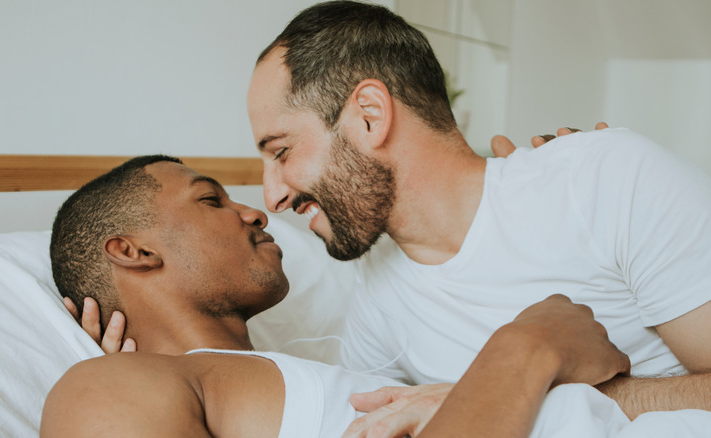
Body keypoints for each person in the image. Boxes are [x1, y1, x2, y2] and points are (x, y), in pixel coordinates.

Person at [245, 0, 711, 434]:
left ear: (369, 116)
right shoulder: (377, 295)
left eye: (282, 152)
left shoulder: (605, 179)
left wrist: (505, 391)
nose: (272, 198)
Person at [41, 155, 633, 437]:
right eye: (211, 200)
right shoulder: (106, 386)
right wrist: (526, 348)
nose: (255, 211)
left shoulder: (318, 374)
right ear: (133, 252)